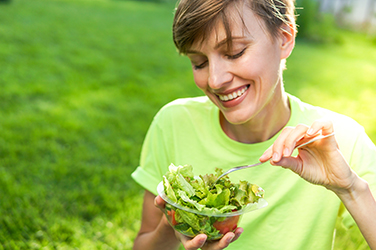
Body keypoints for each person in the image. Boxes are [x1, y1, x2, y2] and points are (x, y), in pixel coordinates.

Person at [131, 0, 376, 249]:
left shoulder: (341, 142)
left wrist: (352, 189)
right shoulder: (174, 123)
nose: (215, 80)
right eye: (199, 63)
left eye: (235, 53)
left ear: (284, 39)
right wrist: (175, 222)